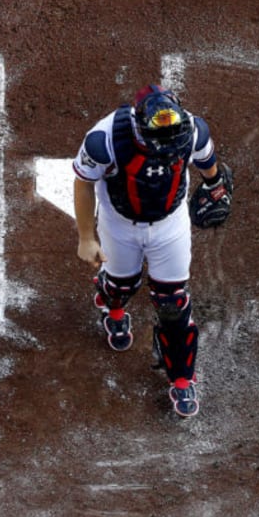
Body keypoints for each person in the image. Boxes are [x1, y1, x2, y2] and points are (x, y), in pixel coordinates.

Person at [72, 84, 233, 417]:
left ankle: (182, 379)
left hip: (169, 223)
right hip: (120, 224)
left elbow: (209, 166)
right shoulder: (104, 141)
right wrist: (87, 237)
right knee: (121, 286)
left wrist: (216, 187)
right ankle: (111, 307)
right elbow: (83, 182)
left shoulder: (192, 131)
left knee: (172, 301)